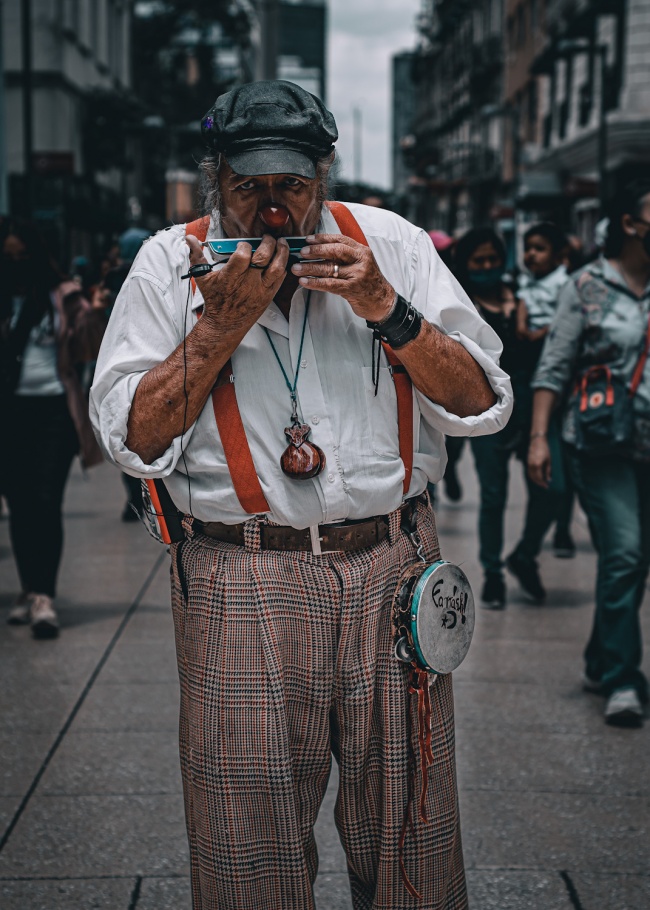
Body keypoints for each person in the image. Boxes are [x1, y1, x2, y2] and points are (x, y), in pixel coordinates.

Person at [90, 80, 512, 909]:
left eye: (294, 186)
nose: (276, 210)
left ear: (325, 174)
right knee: (247, 844)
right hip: (240, 576)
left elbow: (478, 401)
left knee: (412, 835)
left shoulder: (388, 240)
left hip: (394, 564)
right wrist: (217, 327)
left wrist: (384, 306)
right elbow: (134, 441)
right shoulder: (167, 263)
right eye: (252, 187)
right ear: (216, 179)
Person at [529, 179, 650, 728]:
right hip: (601, 443)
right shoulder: (587, 286)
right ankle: (624, 678)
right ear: (629, 223)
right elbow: (553, 367)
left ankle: (602, 657)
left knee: (635, 561)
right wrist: (538, 437)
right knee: (623, 553)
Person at [0, 218, 106, 638]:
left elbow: (88, 346)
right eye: (8, 257)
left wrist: (93, 313)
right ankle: (27, 589)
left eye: (22, 256)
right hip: (9, 413)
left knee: (45, 502)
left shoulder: (62, 296)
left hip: (54, 415)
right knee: (20, 506)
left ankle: (45, 595)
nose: (16, 264)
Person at [454, 227, 555, 609]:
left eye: (493, 260)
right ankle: (493, 574)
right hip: (491, 413)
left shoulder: (527, 297)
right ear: (465, 266)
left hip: (534, 411)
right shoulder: (461, 307)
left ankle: (525, 555)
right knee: (493, 497)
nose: (488, 267)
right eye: (478, 262)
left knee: (552, 490)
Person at [517, 222, 575, 558]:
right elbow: (523, 306)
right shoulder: (527, 283)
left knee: (561, 475)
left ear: (559, 254)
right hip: (532, 375)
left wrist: (542, 334)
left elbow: (566, 322)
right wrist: (523, 325)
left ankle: (562, 530)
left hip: (557, 376)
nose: (531, 255)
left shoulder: (566, 284)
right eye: (529, 247)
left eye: (539, 248)